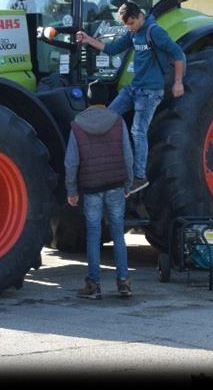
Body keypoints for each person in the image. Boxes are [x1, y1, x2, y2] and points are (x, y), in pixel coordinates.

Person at [76, 0, 186, 194]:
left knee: (138, 131)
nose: (130, 29)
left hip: (150, 92)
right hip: (134, 88)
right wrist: (88, 39)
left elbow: (178, 54)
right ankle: (109, 165)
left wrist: (178, 82)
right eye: (127, 26)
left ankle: (140, 177)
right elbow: (112, 49)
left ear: (140, 17)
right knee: (107, 116)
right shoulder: (133, 32)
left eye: (132, 24)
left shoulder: (154, 32)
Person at [65, 81, 135, 299]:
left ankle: (94, 285)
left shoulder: (77, 124)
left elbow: (71, 162)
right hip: (115, 185)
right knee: (118, 234)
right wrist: (128, 184)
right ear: (106, 100)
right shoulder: (117, 121)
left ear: (88, 99)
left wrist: (72, 190)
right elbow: (128, 155)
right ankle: (123, 282)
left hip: (91, 187)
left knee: (93, 235)